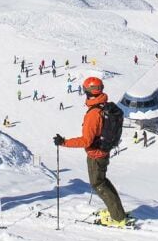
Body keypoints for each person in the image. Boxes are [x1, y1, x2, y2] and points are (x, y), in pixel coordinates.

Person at [53, 76, 128, 227]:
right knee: (103, 182)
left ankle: (118, 217)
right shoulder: (103, 106)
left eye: (85, 90)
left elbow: (86, 140)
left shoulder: (94, 114)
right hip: (103, 151)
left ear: (89, 92)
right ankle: (117, 212)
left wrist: (64, 142)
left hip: (96, 154)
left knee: (98, 184)